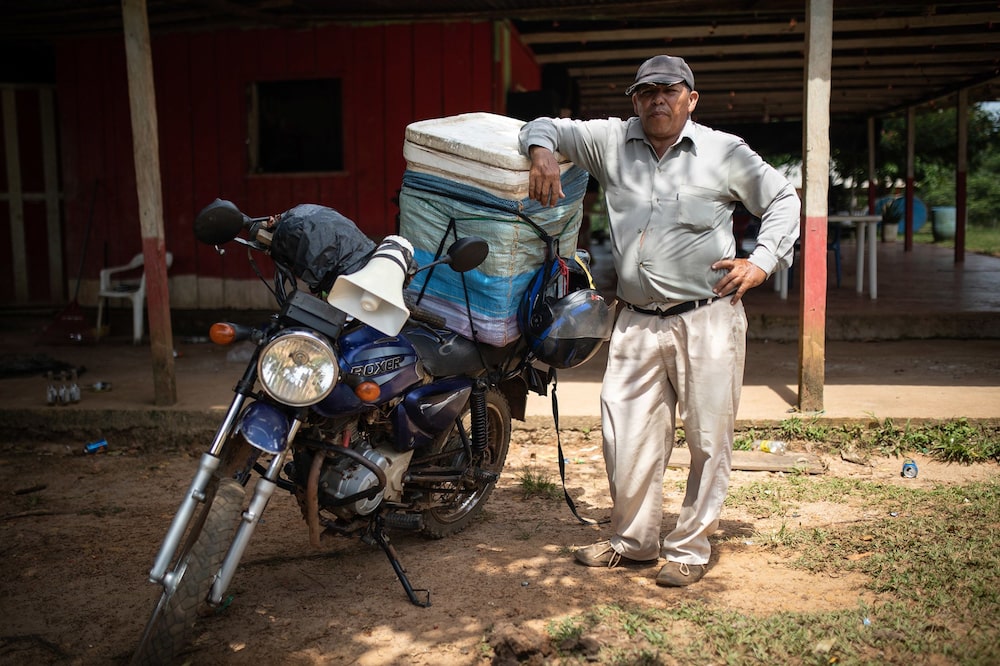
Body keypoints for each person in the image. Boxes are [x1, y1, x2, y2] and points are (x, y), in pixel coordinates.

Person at [518, 54, 800, 587]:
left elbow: (783, 198)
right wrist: (543, 155)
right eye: (646, 92)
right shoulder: (609, 140)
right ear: (635, 100)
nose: (657, 100)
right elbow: (543, 125)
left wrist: (761, 262)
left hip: (708, 317)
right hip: (635, 320)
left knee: (707, 438)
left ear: (691, 100)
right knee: (624, 434)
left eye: (669, 91)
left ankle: (690, 549)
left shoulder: (723, 151)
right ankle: (634, 541)